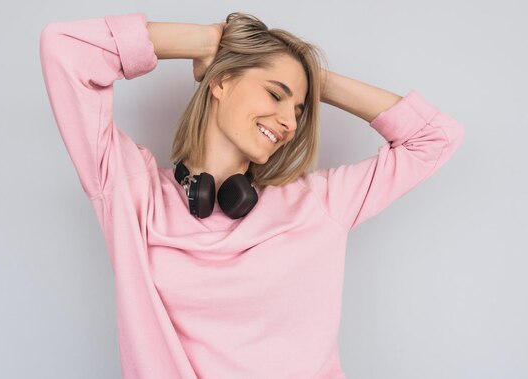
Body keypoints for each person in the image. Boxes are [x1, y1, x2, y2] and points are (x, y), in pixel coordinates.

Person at [39, 10, 464, 379]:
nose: (288, 123)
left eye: (298, 111)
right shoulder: (132, 192)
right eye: (275, 94)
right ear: (222, 81)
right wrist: (206, 41)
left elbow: (434, 137)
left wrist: (314, 82)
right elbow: (65, 50)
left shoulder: (319, 203)